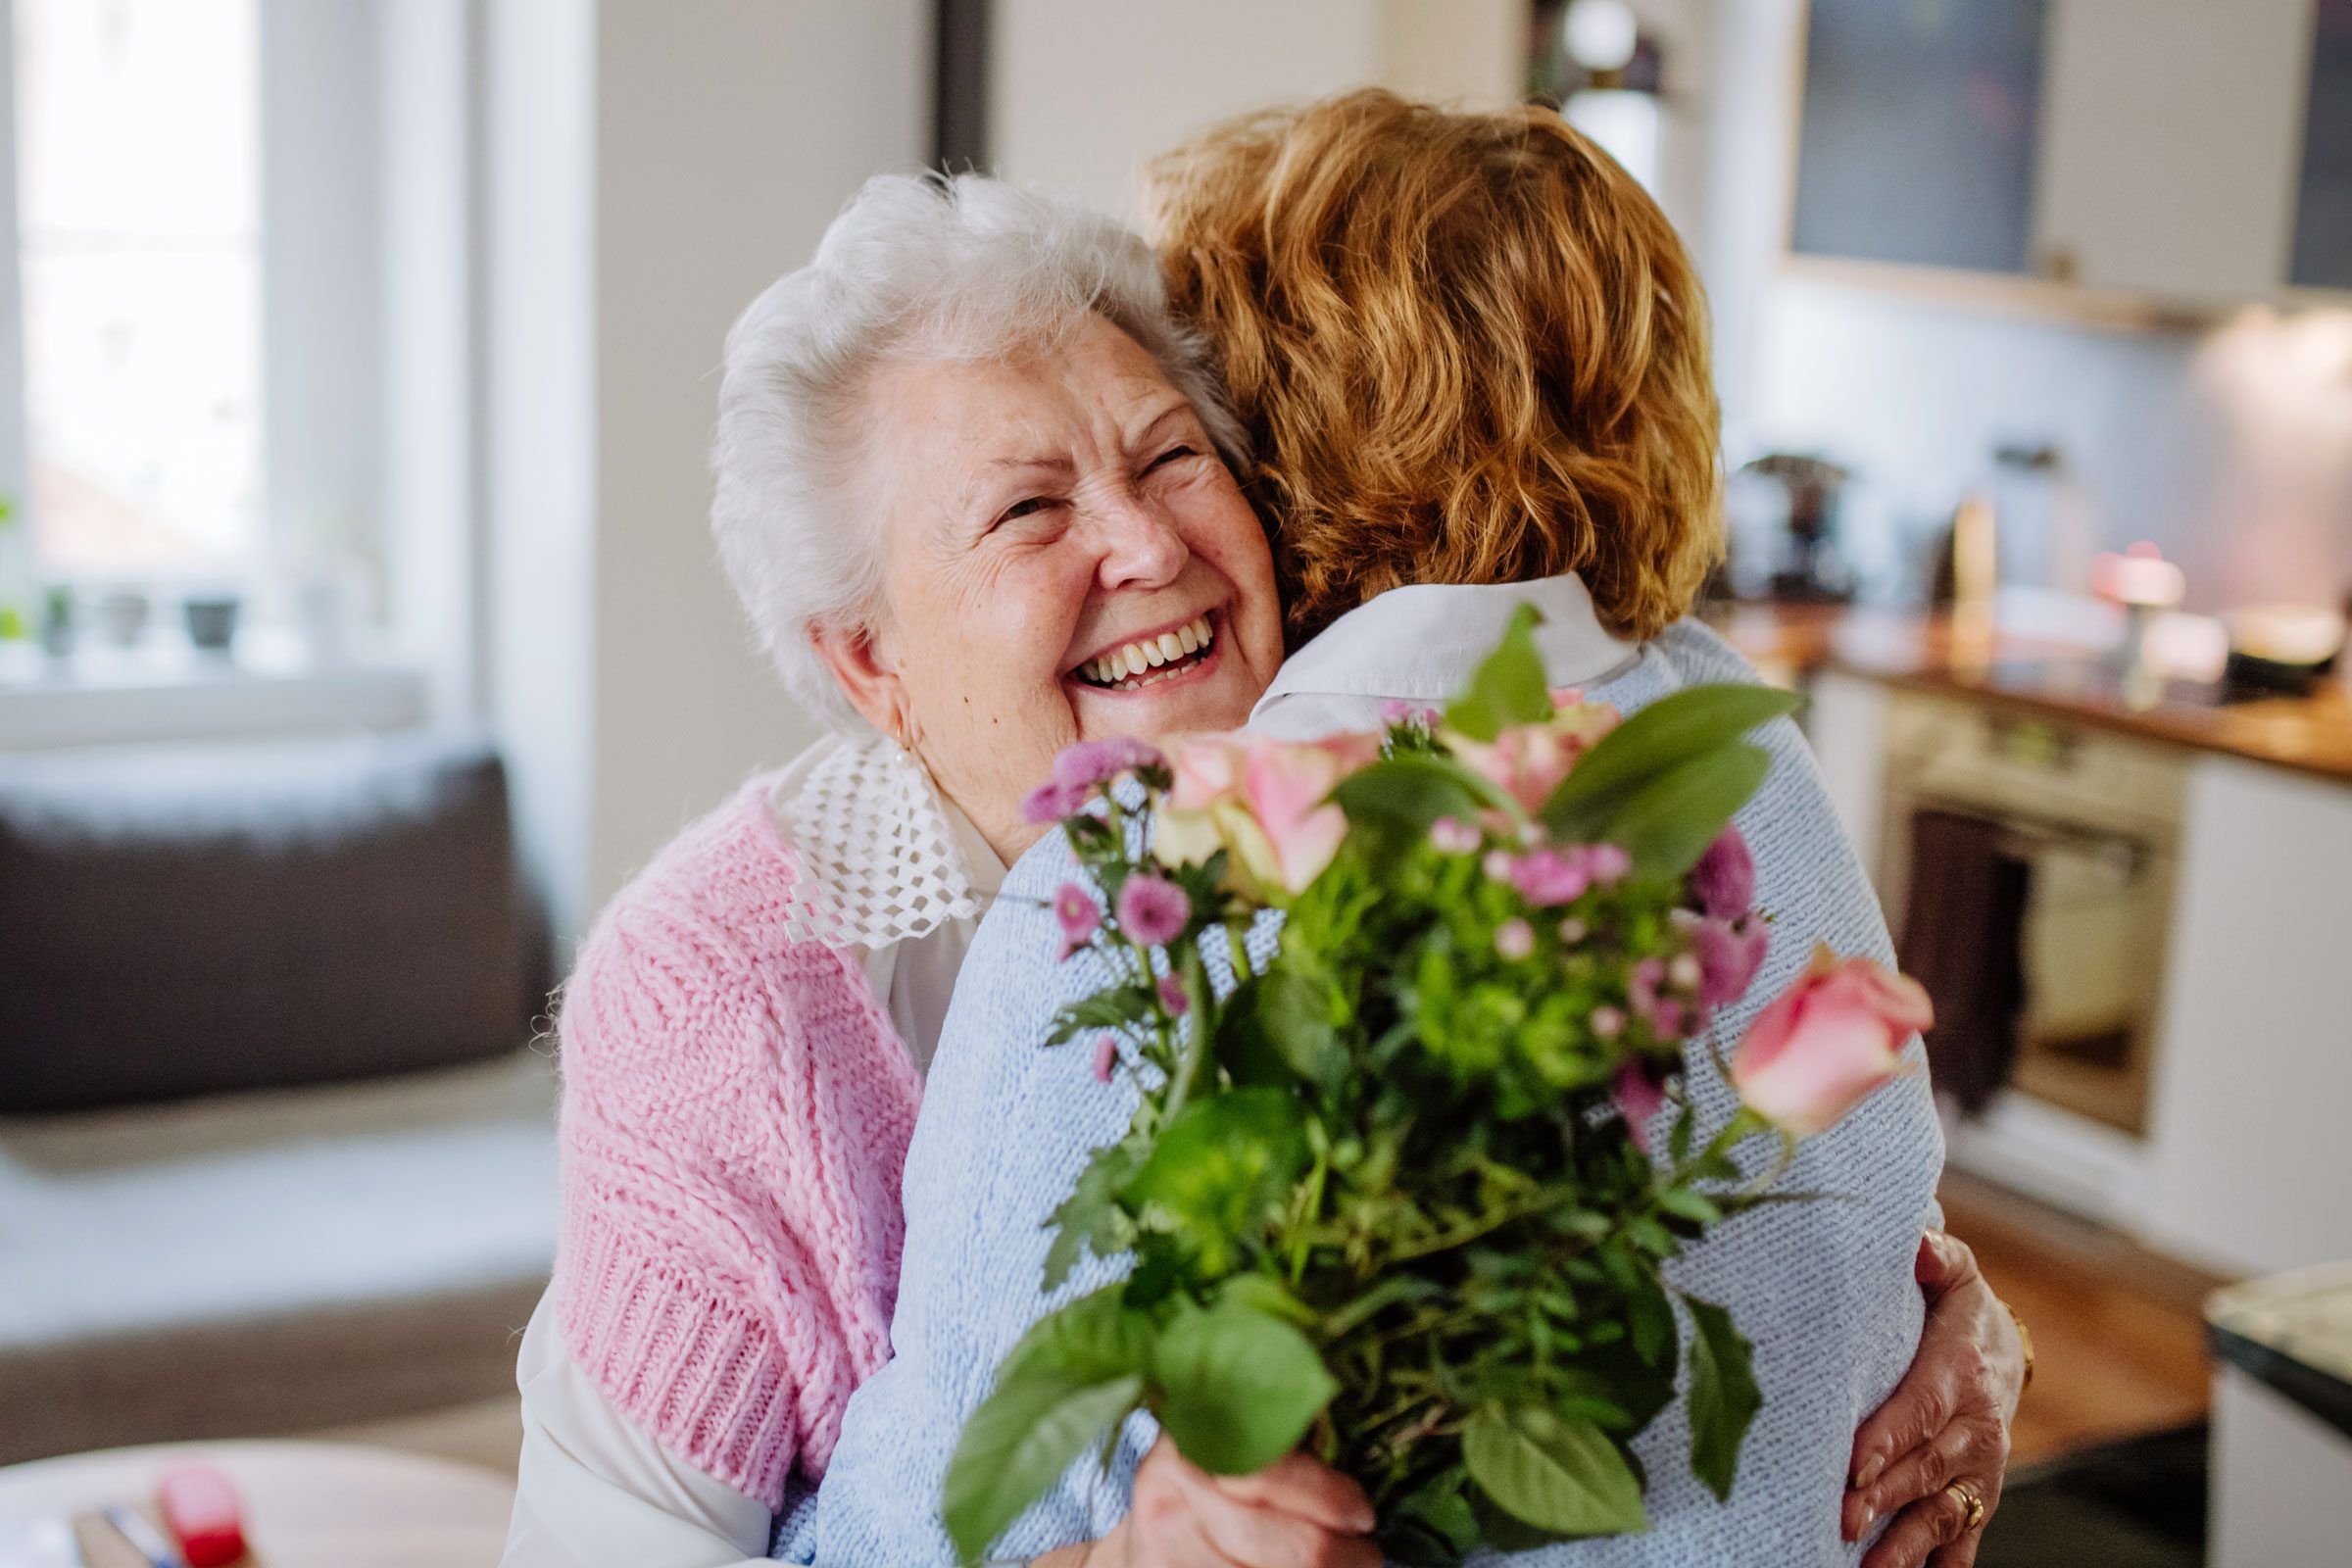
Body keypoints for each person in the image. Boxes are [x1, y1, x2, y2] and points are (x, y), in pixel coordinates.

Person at [502, 161, 2020, 1568]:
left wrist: (1921, 1314)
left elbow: (1703, 1186)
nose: (1150, 548)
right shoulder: (719, 998)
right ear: (869, 660)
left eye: (1173, 457)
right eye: (1032, 511)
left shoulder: (1375, 819)